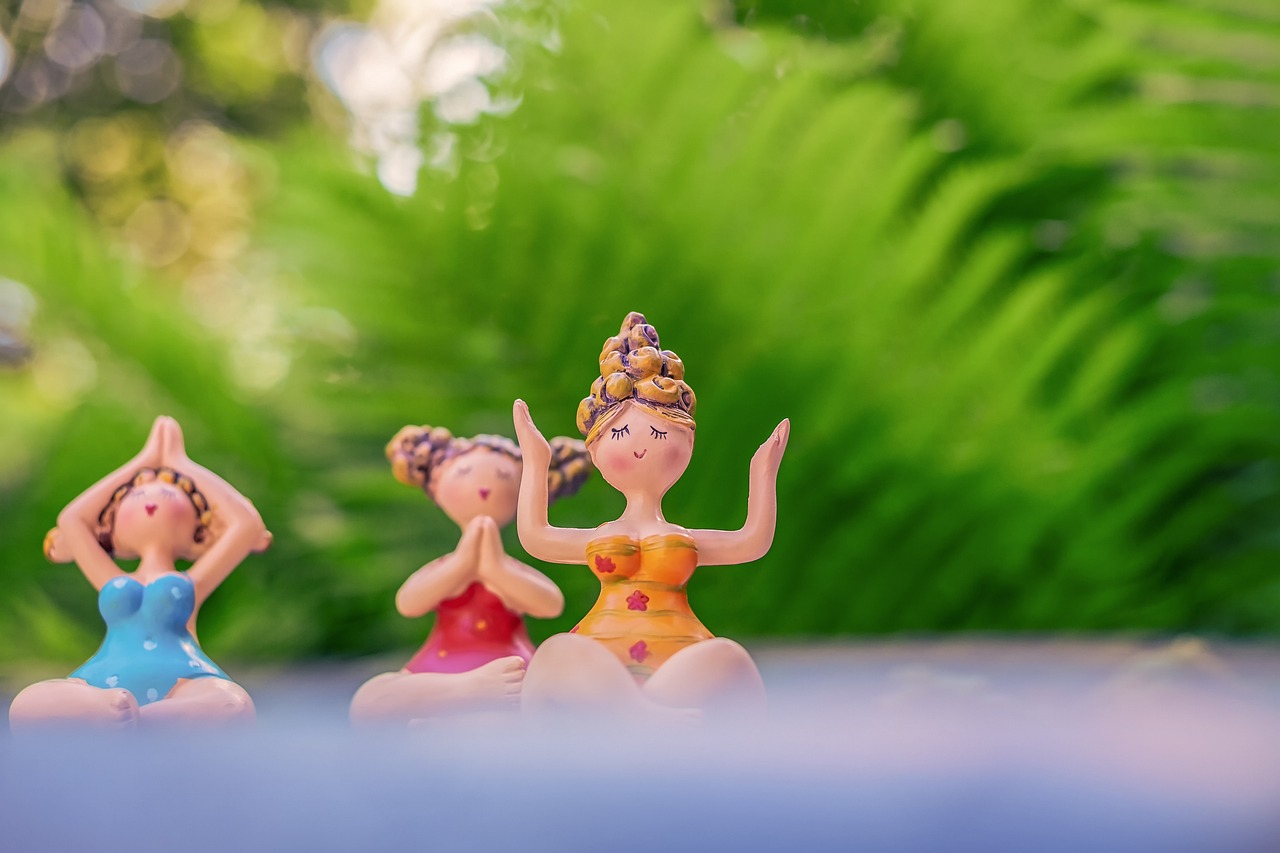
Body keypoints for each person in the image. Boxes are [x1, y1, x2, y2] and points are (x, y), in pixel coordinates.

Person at [513, 311, 788, 720]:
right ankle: (642, 719)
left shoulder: (684, 538)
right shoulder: (600, 536)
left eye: (660, 433)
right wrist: (536, 461)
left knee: (729, 657)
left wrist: (762, 471)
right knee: (557, 651)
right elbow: (535, 536)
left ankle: (644, 718)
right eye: (619, 434)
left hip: (675, 667)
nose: (640, 447)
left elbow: (751, 541)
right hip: (601, 673)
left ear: (688, 445)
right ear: (594, 452)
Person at [9, 416, 269, 729]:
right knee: (25, 704)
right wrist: (142, 463)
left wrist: (180, 464)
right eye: (137, 496)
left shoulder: (193, 582)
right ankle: (107, 711)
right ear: (112, 526)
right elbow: (71, 520)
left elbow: (246, 523)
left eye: (169, 495)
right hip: (105, 681)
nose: (150, 503)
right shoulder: (109, 577)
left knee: (234, 704)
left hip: (185, 678)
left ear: (198, 530)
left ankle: (147, 719)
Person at [349, 425, 590, 725]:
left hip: (509, 668)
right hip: (440, 666)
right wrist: (463, 563)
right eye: (463, 472)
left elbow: (550, 604)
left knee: (561, 691)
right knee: (369, 699)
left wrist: (495, 569)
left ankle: (466, 711)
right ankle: (467, 690)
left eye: (504, 477)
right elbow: (408, 604)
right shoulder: (447, 566)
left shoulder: (506, 567)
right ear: (436, 486)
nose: (485, 488)